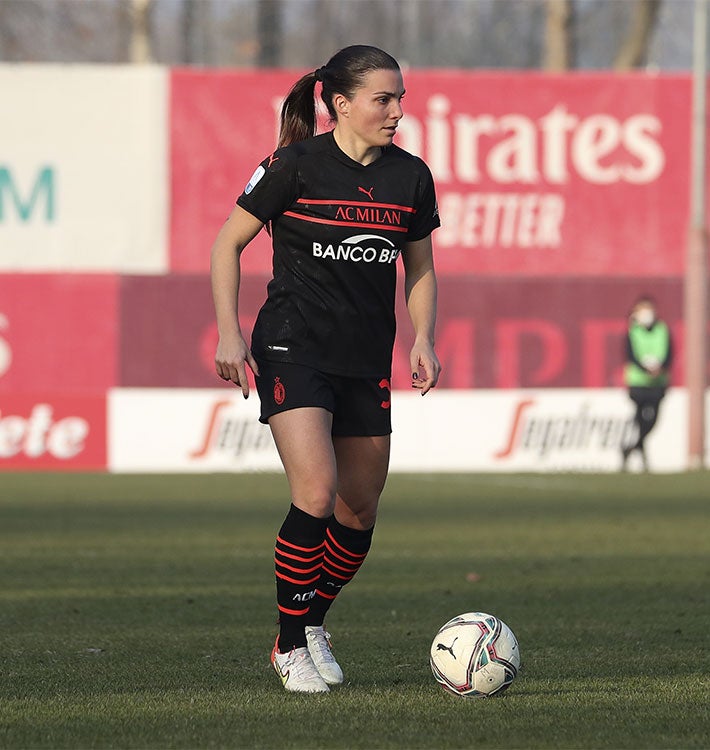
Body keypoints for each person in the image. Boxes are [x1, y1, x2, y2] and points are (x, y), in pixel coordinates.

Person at [210, 45, 441, 693]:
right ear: (340, 103)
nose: (397, 112)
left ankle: (311, 620)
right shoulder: (294, 165)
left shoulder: (411, 177)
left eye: (400, 99)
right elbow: (227, 243)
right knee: (315, 493)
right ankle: (288, 647)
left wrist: (423, 338)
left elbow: (420, 268)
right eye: (383, 99)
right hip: (294, 346)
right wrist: (229, 332)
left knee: (358, 509)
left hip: (365, 358)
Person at [621, 296, 672, 471]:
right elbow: (631, 356)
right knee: (639, 418)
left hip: (658, 382)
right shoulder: (632, 331)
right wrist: (645, 369)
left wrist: (660, 368)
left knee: (652, 420)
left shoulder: (662, 329)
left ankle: (632, 447)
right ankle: (641, 455)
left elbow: (669, 353)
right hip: (638, 382)